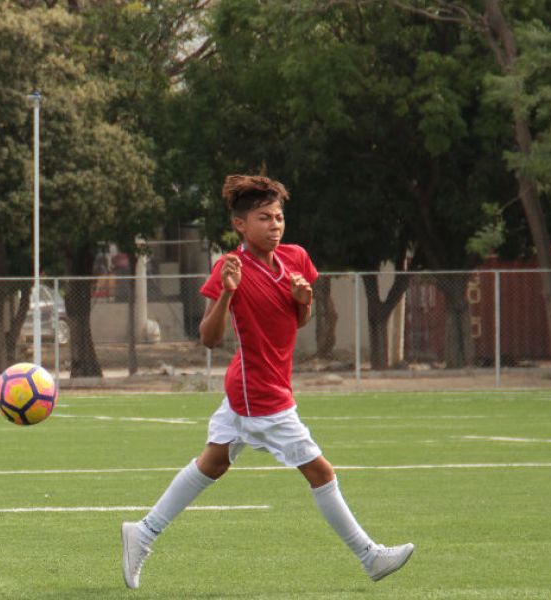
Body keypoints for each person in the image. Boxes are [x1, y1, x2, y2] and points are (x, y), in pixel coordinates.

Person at [120, 175, 414, 589]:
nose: (275, 225)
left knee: (215, 461)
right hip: (257, 390)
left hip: (261, 385)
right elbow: (208, 337)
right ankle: (370, 557)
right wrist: (226, 294)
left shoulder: (296, 258)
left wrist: (304, 299)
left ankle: (143, 532)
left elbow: (300, 319)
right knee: (321, 472)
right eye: (264, 218)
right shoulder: (230, 266)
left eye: (278, 217)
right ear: (241, 225)